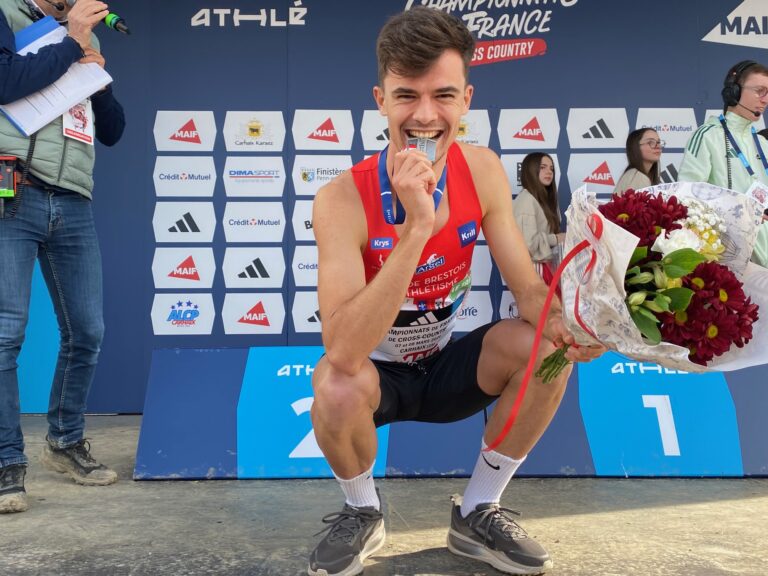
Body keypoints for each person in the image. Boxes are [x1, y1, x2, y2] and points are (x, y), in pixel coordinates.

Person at [307, 7, 604, 576]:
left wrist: (568, 326)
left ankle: (477, 511)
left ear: (466, 99)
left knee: (546, 349)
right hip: (376, 376)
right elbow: (343, 352)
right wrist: (417, 228)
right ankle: (363, 511)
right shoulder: (341, 198)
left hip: (446, 367)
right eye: (406, 96)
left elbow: (528, 290)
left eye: (443, 95)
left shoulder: (483, 169)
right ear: (380, 100)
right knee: (335, 385)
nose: (425, 115)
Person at [0, 0, 125, 514]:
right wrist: (72, 42)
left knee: (87, 331)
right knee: (6, 333)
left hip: (73, 199)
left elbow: (112, 131)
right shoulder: (6, 14)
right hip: (14, 191)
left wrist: (101, 80)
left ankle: (65, 442)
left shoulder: (84, 35)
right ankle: (7, 461)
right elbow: (6, 81)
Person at [679, 60, 768, 267]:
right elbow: (686, 198)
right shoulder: (707, 136)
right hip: (731, 258)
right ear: (733, 92)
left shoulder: (763, 143)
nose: (765, 100)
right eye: (760, 91)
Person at [513, 153, 565, 288]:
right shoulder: (526, 200)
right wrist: (556, 238)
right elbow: (527, 245)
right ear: (531, 170)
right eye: (543, 167)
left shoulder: (539, 200)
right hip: (534, 273)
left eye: (551, 168)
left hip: (543, 269)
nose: (549, 172)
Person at [613, 128, 662, 195]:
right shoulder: (639, 177)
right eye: (651, 142)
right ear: (636, 147)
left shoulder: (635, 174)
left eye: (658, 142)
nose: (658, 146)